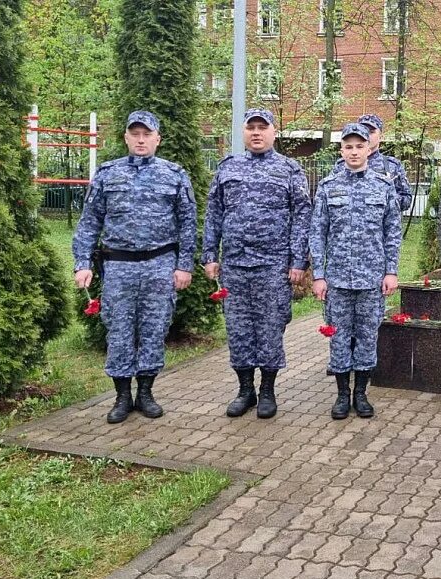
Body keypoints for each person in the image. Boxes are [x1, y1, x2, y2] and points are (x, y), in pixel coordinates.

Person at [73, 111, 196, 423]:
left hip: (159, 263)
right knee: (119, 330)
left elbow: (187, 225)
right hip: (118, 266)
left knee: (155, 329)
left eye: (147, 134)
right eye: (135, 134)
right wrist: (82, 263)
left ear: (157, 139)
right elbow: (89, 223)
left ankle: (146, 392)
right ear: (126, 137)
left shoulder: (175, 174)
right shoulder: (107, 174)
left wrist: (184, 266)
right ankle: (122, 396)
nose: (141, 140)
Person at [202, 109, 311, 419]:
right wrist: (210, 255)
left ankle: (267, 391)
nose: (257, 133)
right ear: (243, 132)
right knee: (238, 329)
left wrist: (298, 260)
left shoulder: (289, 169)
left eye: (263, 127)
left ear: (273, 132)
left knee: (270, 328)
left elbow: (303, 217)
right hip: (235, 266)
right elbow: (214, 214)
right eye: (251, 127)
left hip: (273, 266)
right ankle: (245, 389)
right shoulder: (227, 168)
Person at [310, 123, 401, 420]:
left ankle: (361, 394)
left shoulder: (383, 187)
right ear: (341, 150)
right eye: (348, 146)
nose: (353, 151)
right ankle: (341, 395)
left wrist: (391, 271)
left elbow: (392, 233)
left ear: (369, 149)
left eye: (359, 146)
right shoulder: (327, 187)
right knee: (339, 337)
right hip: (337, 279)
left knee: (366, 336)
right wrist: (319, 275)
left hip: (372, 279)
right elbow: (317, 233)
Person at [334, 113, 413, 212]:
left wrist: (382, 198)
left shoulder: (391, 165)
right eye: (363, 131)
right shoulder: (341, 164)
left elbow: (406, 200)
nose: (367, 136)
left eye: (371, 132)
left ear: (381, 135)